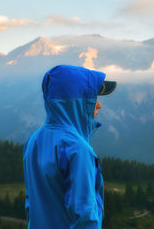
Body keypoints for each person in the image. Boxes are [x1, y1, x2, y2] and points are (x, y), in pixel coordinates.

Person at [23, 65, 117, 228]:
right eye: (93, 97)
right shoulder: (76, 148)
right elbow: (85, 216)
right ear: (79, 101)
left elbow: (31, 203)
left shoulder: (34, 140)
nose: (99, 105)